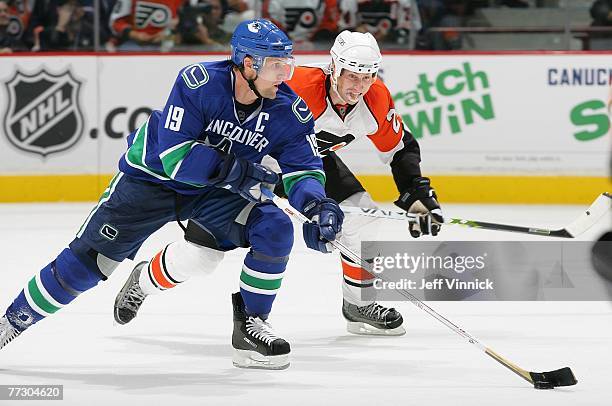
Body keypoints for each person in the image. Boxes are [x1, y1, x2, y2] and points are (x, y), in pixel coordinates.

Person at [0, 19, 344, 371]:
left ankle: (251, 326)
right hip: (151, 181)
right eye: (276, 66)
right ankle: (9, 324)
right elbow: (177, 158)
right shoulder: (200, 83)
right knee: (84, 267)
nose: (284, 75)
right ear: (247, 63)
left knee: (274, 227)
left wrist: (317, 205)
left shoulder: (289, 110)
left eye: (287, 65)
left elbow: (304, 170)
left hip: (214, 192)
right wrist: (243, 172)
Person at [114, 30, 443, 337]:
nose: (358, 86)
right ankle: (143, 281)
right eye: (351, 75)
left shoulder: (375, 99)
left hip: (304, 167)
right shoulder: (294, 87)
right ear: (333, 68)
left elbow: (399, 149)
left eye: (367, 76)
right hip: (245, 164)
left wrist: (415, 193)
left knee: (363, 217)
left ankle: (357, 305)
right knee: (201, 258)